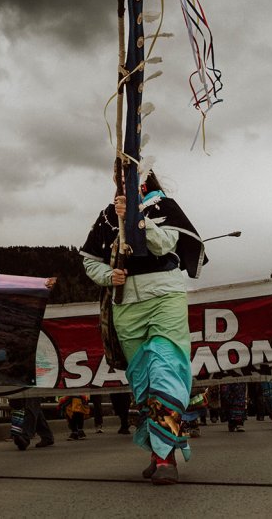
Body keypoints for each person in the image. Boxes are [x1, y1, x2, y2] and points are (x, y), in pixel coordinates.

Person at [80, 175, 205, 485]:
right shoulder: (107, 216)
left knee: (165, 371)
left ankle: (166, 458)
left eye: (130, 175)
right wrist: (109, 276)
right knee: (143, 382)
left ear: (143, 178)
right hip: (126, 307)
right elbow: (89, 260)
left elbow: (164, 244)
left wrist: (137, 217)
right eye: (119, 176)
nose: (123, 181)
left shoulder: (164, 206)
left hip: (164, 297)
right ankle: (157, 450)